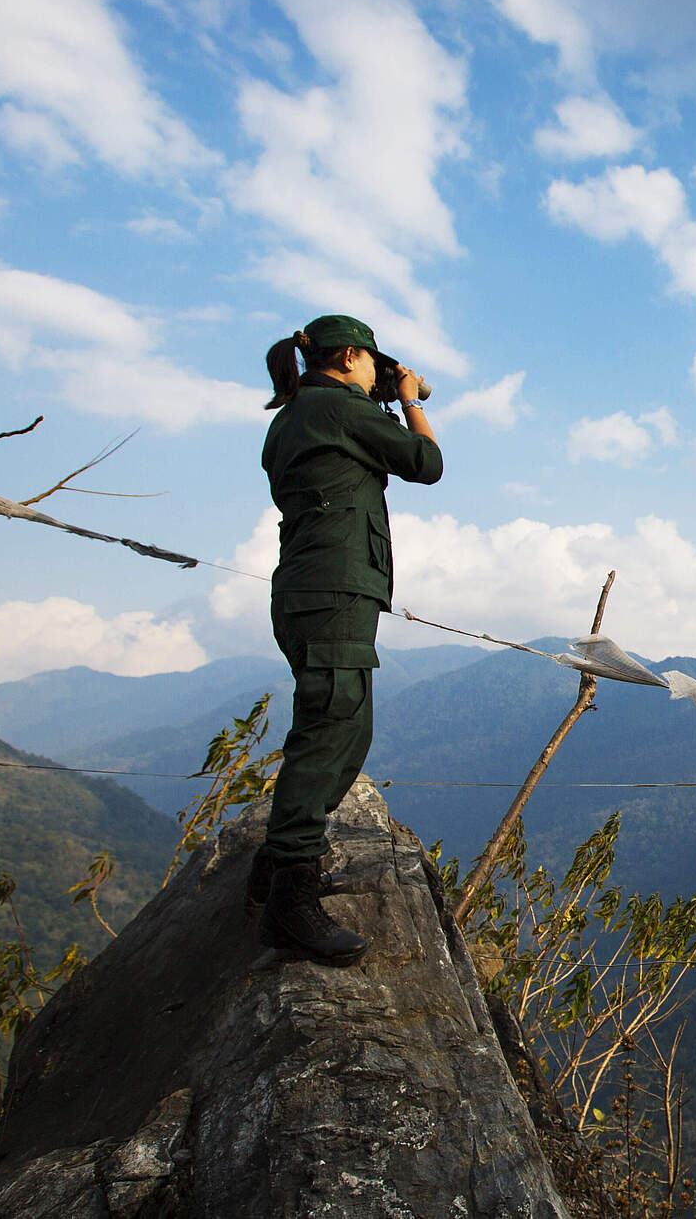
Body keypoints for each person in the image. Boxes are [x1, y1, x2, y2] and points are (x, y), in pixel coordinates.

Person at [250, 314, 441, 964]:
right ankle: (290, 899)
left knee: (344, 730)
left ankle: (277, 865)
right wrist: (409, 402)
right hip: (332, 589)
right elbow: (426, 461)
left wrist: (380, 398)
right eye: (374, 364)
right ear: (351, 356)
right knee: (331, 728)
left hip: (319, 588)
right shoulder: (334, 408)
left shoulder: (300, 415)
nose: (380, 375)